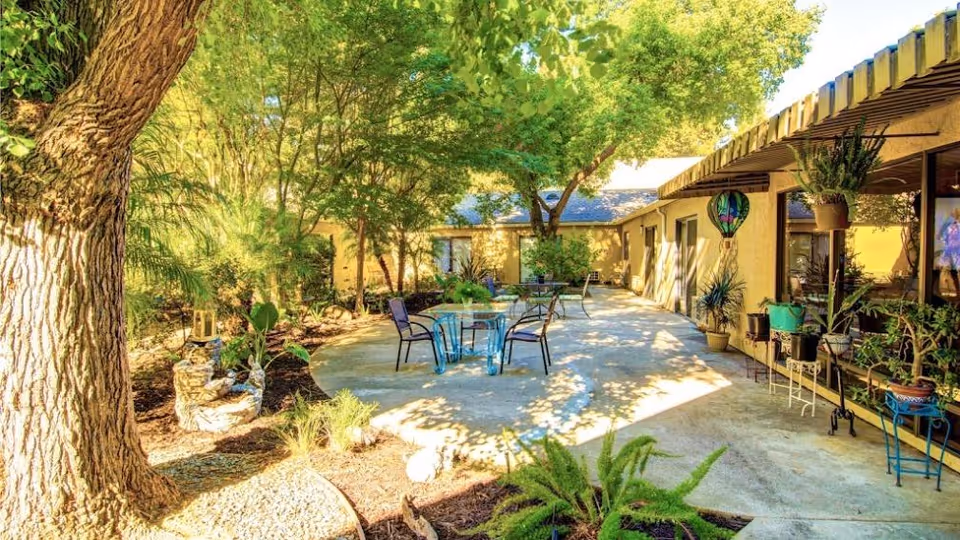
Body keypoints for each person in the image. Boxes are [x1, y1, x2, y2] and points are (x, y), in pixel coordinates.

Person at [937, 206, 960, 299]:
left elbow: (942, 238)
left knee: (946, 270)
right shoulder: (950, 227)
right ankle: (946, 290)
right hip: (951, 251)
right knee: (945, 270)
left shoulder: (949, 227)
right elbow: (942, 238)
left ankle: (947, 290)